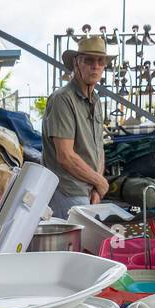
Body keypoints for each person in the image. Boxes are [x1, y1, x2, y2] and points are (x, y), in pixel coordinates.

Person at [42, 35, 109, 218]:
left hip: (87, 189)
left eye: (100, 61)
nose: (95, 66)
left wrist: (97, 185)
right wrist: (100, 182)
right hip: (68, 190)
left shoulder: (95, 100)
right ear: (77, 63)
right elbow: (65, 156)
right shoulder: (62, 99)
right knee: (75, 244)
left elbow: (98, 149)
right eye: (89, 60)